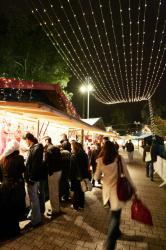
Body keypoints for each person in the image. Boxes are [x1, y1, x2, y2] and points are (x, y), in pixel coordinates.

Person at [94, 141, 136, 250]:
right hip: (118, 192)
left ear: (104, 148)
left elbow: (96, 177)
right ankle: (110, 243)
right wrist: (134, 188)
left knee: (114, 213)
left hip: (107, 193)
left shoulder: (100, 160)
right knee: (115, 216)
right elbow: (126, 174)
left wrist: (104, 177)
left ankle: (116, 232)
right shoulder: (119, 159)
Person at [0, 140, 26, 240]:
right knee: (16, 209)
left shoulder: (2, 159)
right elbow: (23, 170)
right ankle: (15, 231)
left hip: (5, 188)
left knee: (7, 209)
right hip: (16, 187)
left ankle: (7, 231)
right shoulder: (19, 158)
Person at [24, 133, 44, 228]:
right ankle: (34, 216)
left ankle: (36, 220)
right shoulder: (35, 148)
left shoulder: (36, 149)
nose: (25, 142)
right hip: (32, 178)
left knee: (34, 199)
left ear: (29, 139)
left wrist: (31, 178)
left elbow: (35, 166)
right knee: (34, 198)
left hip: (32, 178)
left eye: (26, 140)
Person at [43, 136, 62, 217]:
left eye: (44, 141)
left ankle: (55, 210)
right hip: (59, 171)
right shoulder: (56, 148)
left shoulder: (49, 149)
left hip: (53, 172)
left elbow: (46, 162)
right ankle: (57, 208)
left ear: (47, 141)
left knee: (53, 192)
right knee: (56, 190)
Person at [70, 141, 89, 210]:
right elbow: (86, 165)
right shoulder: (84, 154)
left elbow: (72, 168)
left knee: (76, 190)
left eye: (71, 147)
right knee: (81, 190)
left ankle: (75, 205)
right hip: (82, 175)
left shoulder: (73, 156)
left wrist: (70, 177)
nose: (71, 148)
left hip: (76, 176)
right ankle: (81, 205)